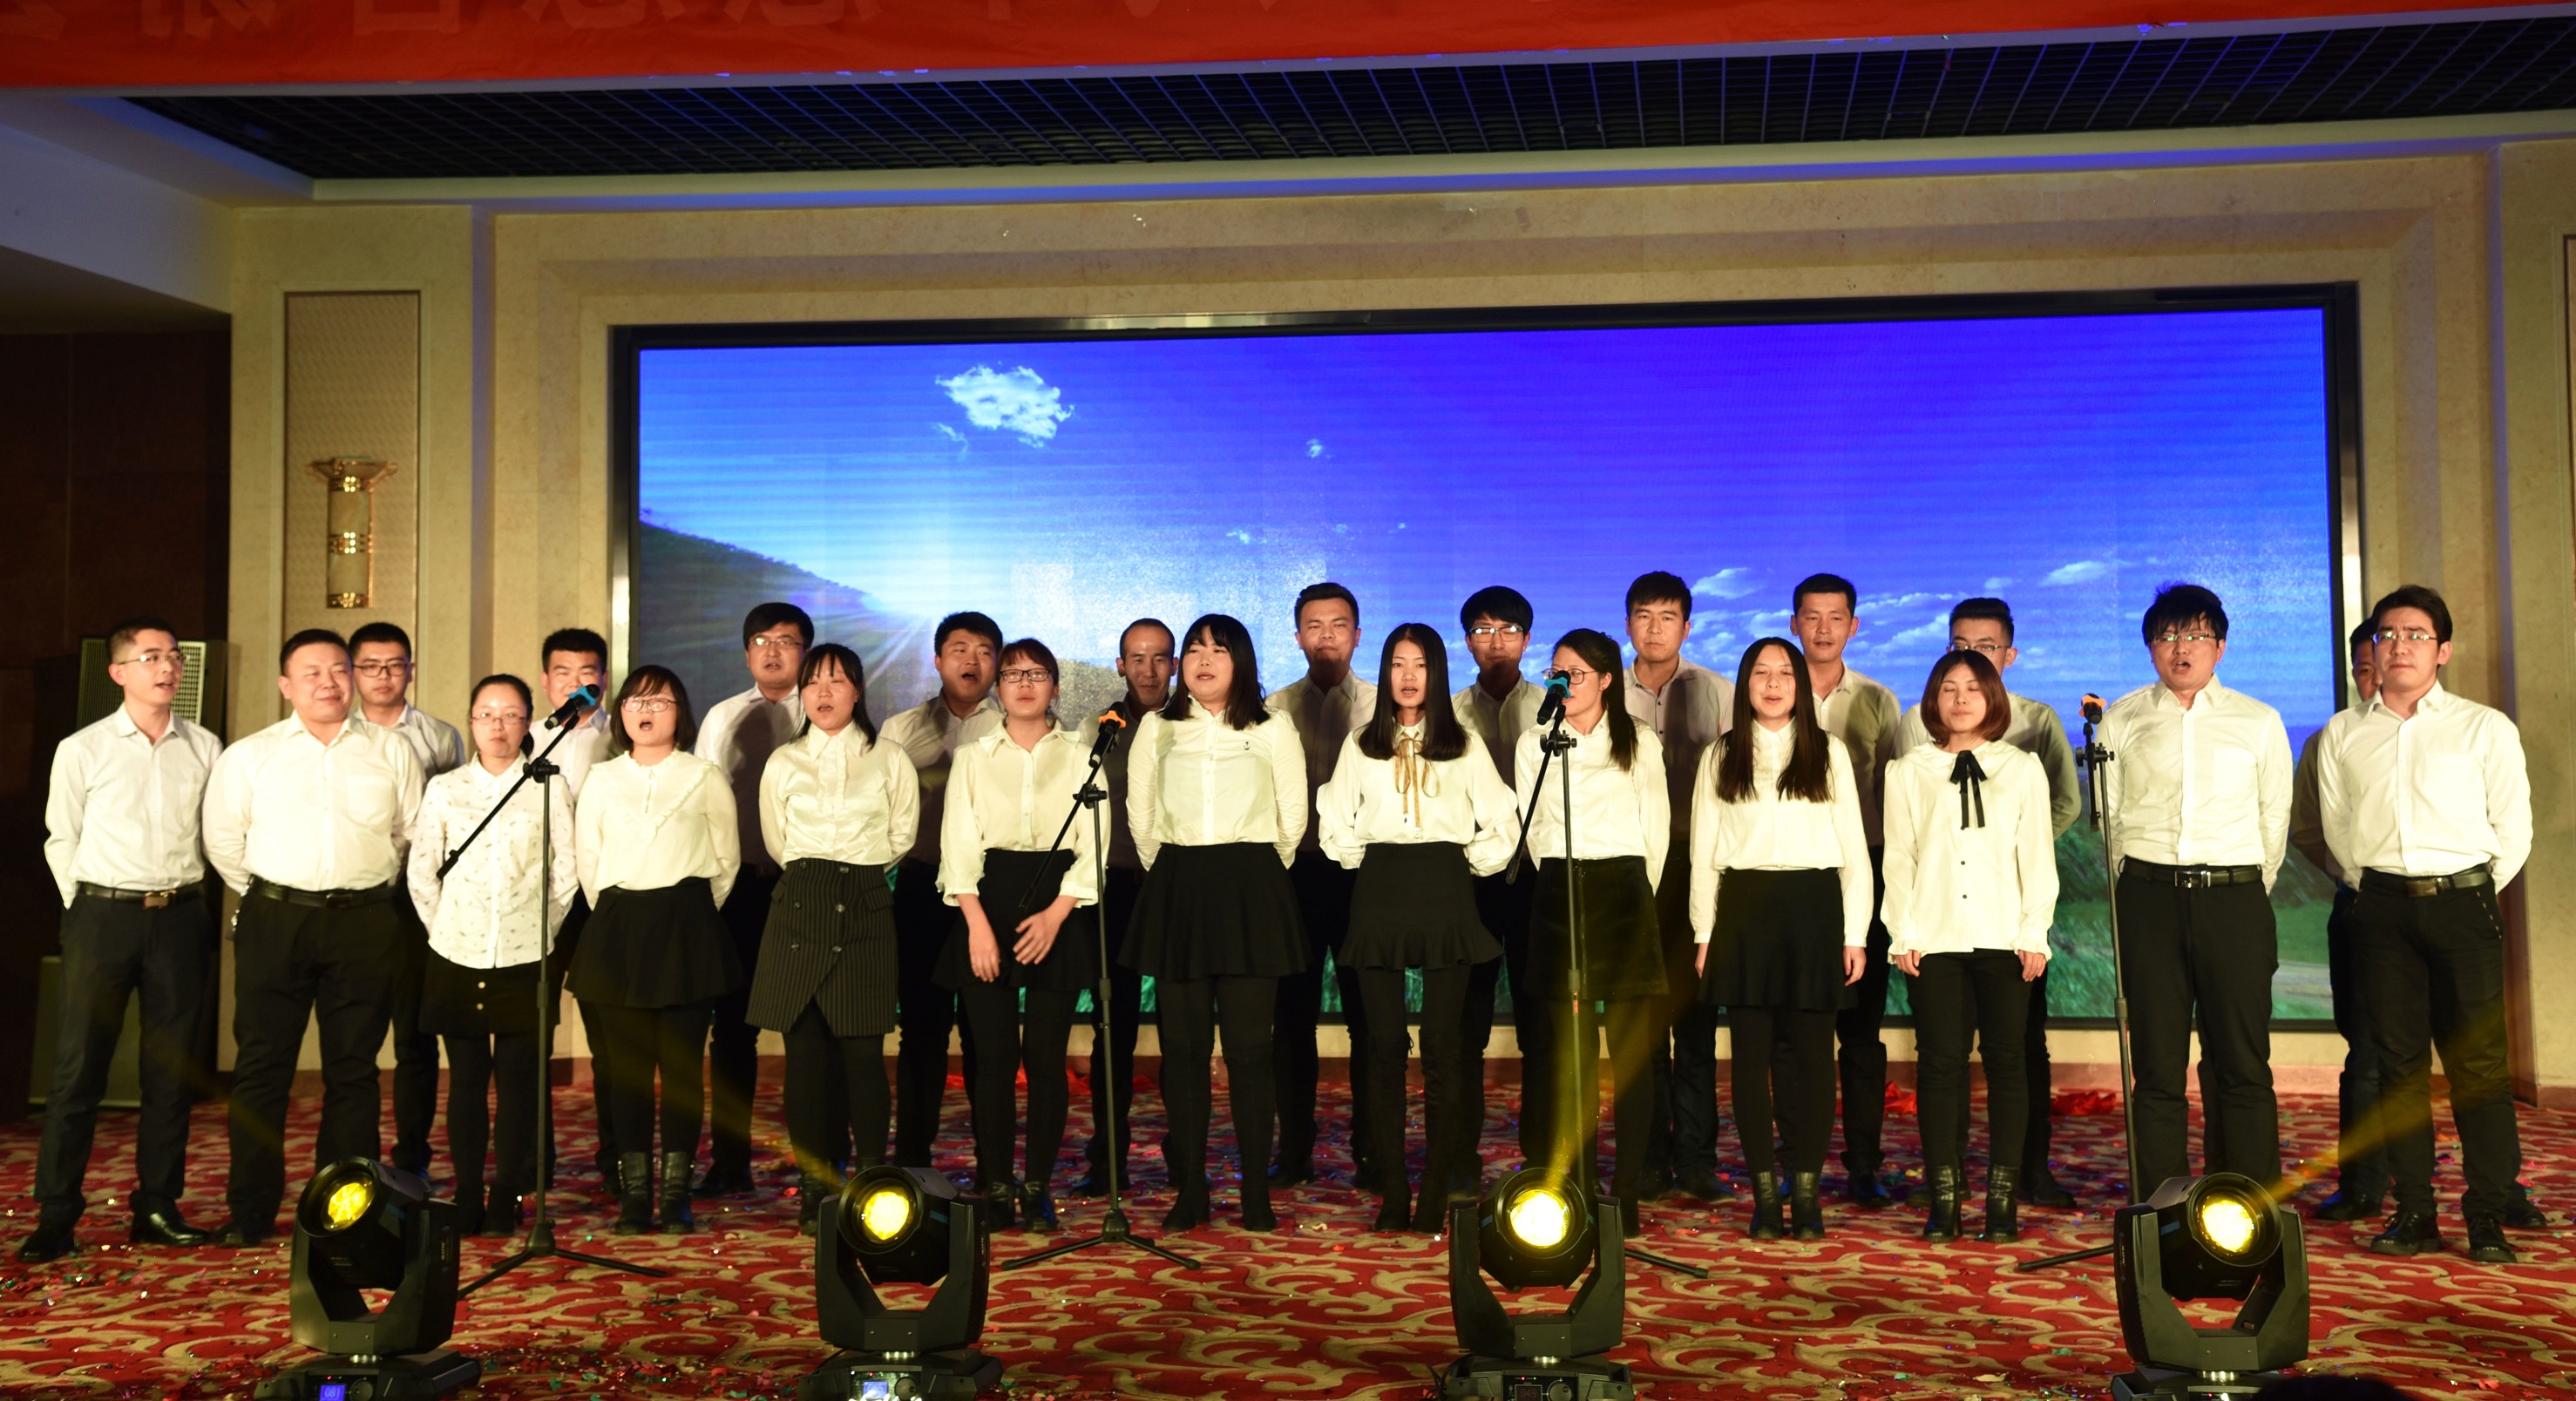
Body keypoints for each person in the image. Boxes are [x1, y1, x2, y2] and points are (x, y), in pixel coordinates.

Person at [2318, 585, 2532, 1266]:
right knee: (2398, 1068)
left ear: (2443, 651)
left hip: (2463, 904)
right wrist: (2379, 890)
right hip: (2380, 909)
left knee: (2479, 1068)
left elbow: (2514, 830)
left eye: (2415, 635)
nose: (2399, 646)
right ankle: (2414, 1211)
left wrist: (2467, 893)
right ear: (2372, 650)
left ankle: (2489, 1213)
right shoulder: (2344, 733)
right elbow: (2339, 831)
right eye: (2387, 635)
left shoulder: (2484, 727)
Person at [204, 629, 427, 1246]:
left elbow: (409, 833)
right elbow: (223, 842)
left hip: (365, 922)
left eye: (339, 670)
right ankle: (250, 1210)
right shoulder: (250, 756)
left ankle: (343, 1211)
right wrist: (276, 894)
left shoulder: (391, 750)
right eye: (312, 673)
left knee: (354, 1071)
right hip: (277, 919)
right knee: (262, 1068)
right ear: (286, 686)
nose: (328, 683)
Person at [23, 617, 224, 1262]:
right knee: (78, 1068)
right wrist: (83, 906)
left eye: (173, 657)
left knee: (170, 1072)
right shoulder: (82, 748)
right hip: (103, 915)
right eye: (151, 657)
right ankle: (57, 1214)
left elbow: (217, 833)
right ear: (118, 672)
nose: (167, 667)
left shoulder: (205, 746)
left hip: (180, 915)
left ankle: (157, 1206)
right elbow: (61, 837)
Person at [1319, 623, 1516, 1232]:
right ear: (1385, 673)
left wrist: (1463, 863)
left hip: (1444, 892)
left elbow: (1502, 822)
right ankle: (1393, 1188)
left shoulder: (1464, 744)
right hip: (1379, 893)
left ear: (1437, 672)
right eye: (1398, 664)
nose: (1408, 676)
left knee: (1442, 1049)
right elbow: (1334, 822)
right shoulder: (1361, 744)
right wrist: (1372, 861)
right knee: (1382, 1049)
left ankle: (1436, 1185)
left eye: (1421, 665)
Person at [2099, 584, 2294, 1199]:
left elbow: (2273, 822)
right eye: (2167, 636)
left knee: (2241, 1063)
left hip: (2233, 898)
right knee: (2157, 1067)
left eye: (2196, 635)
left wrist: (2237, 889)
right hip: (2149, 898)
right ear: (2151, 647)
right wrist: (2143, 886)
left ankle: (2251, 1203)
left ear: (2221, 647)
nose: (2181, 648)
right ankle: (2160, 1209)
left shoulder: (2259, 721)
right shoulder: (2122, 719)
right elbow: (2111, 821)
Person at [1122, 613, 1308, 1232]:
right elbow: (1141, 817)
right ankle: (1191, 1189)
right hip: (1179, 884)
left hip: (1252, 886)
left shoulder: (1273, 727)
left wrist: (1251, 871)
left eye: (1219, 650)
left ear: (1241, 661)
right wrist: (1178, 872)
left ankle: (1256, 1191)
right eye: (1195, 649)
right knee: (1183, 1052)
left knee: (1252, 1051)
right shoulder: (1157, 727)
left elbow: (1292, 819)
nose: (1204, 660)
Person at [1894, 598, 2082, 1207]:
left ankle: (2004, 1196)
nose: (1961, 698)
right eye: (1949, 687)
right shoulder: (1909, 770)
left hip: (2005, 938)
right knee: (1939, 1065)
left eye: (1974, 687)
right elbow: (1901, 857)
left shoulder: (2022, 767)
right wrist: (1903, 931)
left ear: (1996, 690)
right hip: (1936, 938)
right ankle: (1945, 1196)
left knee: (2009, 1062)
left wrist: (2034, 932)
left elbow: (2037, 857)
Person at [1689, 640, 1871, 1241]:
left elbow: (1853, 850)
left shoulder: (1828, 751)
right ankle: (1765, 1196)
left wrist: (1855, 933)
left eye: (1784, 673)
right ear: (1745, 684)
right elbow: (1703, 853)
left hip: (1813, 910)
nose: (1772, 684)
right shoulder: (1721, 754)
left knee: (1813, 1062)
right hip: (1743, 913)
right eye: (1761, 673)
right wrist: (1704, 932)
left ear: (1800, 684)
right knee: (1749, 1063)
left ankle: (1807, 1191)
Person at [566, 667, 743, 1235]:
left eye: (659, 701)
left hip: (686, 930)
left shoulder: (704, 776)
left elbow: (726, 862)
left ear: (680, 712)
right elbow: (588, 862)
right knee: (628, 1075)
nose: (646, 711)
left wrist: (684, 911)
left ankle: (676, 1194)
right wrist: (626, 912)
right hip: (618, 930)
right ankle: (636, 1196)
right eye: (635, 701)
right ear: (620, 713)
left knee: (683, 1070)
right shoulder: (601, 779)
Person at [749, 645, 914, 1235]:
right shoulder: (784, 761)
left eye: (837, 681)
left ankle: (870, 1177)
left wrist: (855, 870)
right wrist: (821, 875)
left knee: (864, 1056)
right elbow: (777, 841)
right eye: (814, 683)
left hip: (866, 903)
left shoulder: (888, 757)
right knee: (805, 1058)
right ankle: (816, 1184)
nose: (823, 693)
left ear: (857, 691)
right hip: (801, 903)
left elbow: (901, 834)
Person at [406, 674, 578, 1238]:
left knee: (520, 1082)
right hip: (456, 952)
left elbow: (566, 871)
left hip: (527, 953)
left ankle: (507, 1192)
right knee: (466, 1081)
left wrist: (539, 929)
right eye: (486, 714)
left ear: (528, 721)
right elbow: (422, 872)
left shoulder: (549, 785)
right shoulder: (446, 789)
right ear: (472, 722)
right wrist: (449, 930)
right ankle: (467, 1192)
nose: (497, 726)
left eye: (510, 715)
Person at [939, 639, 1101, 1231]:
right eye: (1012, 674)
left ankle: (1037, 1188)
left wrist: (1058, 913)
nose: (1024, 684)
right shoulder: (973, 757)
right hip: (987, 905)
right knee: (995, 1059)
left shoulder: (1083, 755)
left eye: (1036, 674)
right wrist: (977, 926)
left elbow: (1092, 847)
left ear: (1055, 686)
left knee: (1046, 1057)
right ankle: (998, 1186)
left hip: (1059, 907)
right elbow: (957, 846)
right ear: (998, 687)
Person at [1518, 628, 1668, 1235]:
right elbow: (1535, 831)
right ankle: (1578, 1184)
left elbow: (1655, 831)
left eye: (1576, 673)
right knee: (1570, 1056)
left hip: (1625, 893)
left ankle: (1626, 1191)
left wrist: (1633, 893)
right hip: (1561, 893)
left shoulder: (1639, 740)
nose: (1564, 682)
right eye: (1556, 672)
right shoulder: (1534, 742)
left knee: (1630, 1056)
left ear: (1606, 679)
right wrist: (1564, 879)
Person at [1792, 575, 1903, 1209]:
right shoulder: (1770, 690)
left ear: (1853, 626)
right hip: (1793, 878)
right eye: (1812, 617)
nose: (1824, 629)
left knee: (1861, 1033)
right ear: (1795, 623)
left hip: (1866, 869)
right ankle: (1796, 1163)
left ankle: (1864, 1166)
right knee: (1796, 1036)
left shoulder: (1879, 701)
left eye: (1836, 617)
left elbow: (1896, 794)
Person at [694, 601, 811, 1198]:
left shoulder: (823, 713)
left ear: (805, 654)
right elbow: (701, 804)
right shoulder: (722, 717)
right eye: (761, 640)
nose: (772, 650)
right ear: (746, 654)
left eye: (786, 640)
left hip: (804, 888)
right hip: (738, 887)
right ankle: (730, 1162)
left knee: (807, 1031)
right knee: (733, 1032)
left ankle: (816, 1163)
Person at [880, 612, 1005, 1167]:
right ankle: (912, 1162)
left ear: (997, 664)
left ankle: (992, 1166)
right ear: (937, 660)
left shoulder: (1013, 728)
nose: (971, 660)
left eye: (983, 650)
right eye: (959, 649)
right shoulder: (900, 729)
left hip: (987, 894)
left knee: (985, 1034)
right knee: (921, 1030)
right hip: (921, 890)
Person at [1264, 582, 1377, 1190]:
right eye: (1314, 625)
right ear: (1298, 636)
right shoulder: (1274, 707)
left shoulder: (1384, 704)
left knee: (1370, 1021)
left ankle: (1372, 1148)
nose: (1326, 636)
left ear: (1357, 635)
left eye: (1338, 625)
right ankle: (1295, 1151)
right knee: (1292, 1019)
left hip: (1364, 876)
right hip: (1295, 875)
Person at [348, 620, 466, 1182]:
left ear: (410, 670)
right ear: (354, 672)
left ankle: (413, 1156)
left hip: (416, 902)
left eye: (395, 664)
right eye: (371, 666)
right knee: (357, 1036)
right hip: (359, 900)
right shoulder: (339, 736)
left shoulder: (440, 737)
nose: (383, 675)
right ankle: (358, 1156)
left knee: (416, 1036)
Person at [1070, 619, 1174, 1199]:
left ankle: (1184, 1156)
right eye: (1137, 658)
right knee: (1113, 1027)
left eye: (1159, 658)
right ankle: (1107, 1159)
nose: (1148, 670)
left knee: (1183, 1030)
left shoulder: (1193, 722)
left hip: (1177, 886)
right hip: (1115, 888)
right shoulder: (1100, 727)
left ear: (1175, 664)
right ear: (1120, 665)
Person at [1453, 585, 1547, 1195]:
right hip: (1470, 880)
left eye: (1509, 630)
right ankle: (1460, 1154)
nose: (1496, 641)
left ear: (1528, 639)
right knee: (1466, 1025)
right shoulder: (1449, 710)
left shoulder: (1551, 706)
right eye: (1483, 630)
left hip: (1536, 877)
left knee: (1541, 1024)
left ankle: (1542, 1154)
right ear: (1467, 641)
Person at [2292, 621, 2382, 1222]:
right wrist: (2351, 873)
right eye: (2363, 670)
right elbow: (2305, 828)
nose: (2374, 679)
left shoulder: (2458, 731)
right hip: (2360, 908)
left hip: (2441, 912)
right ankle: (2364, 1184)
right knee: (2366, 1052)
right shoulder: (2331, 739)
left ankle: (2486, 1187)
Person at [538, 626, 620, 1188]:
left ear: (603, 680)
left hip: (600, 903)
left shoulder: (624, 738)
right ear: (546, 681)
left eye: (586, 672)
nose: (574, 683)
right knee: (532, 1036)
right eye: (563, 673)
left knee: (609, 1039)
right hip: (539, 901)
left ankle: (617, 1159)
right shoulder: (527, 739)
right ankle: (535, 1161)